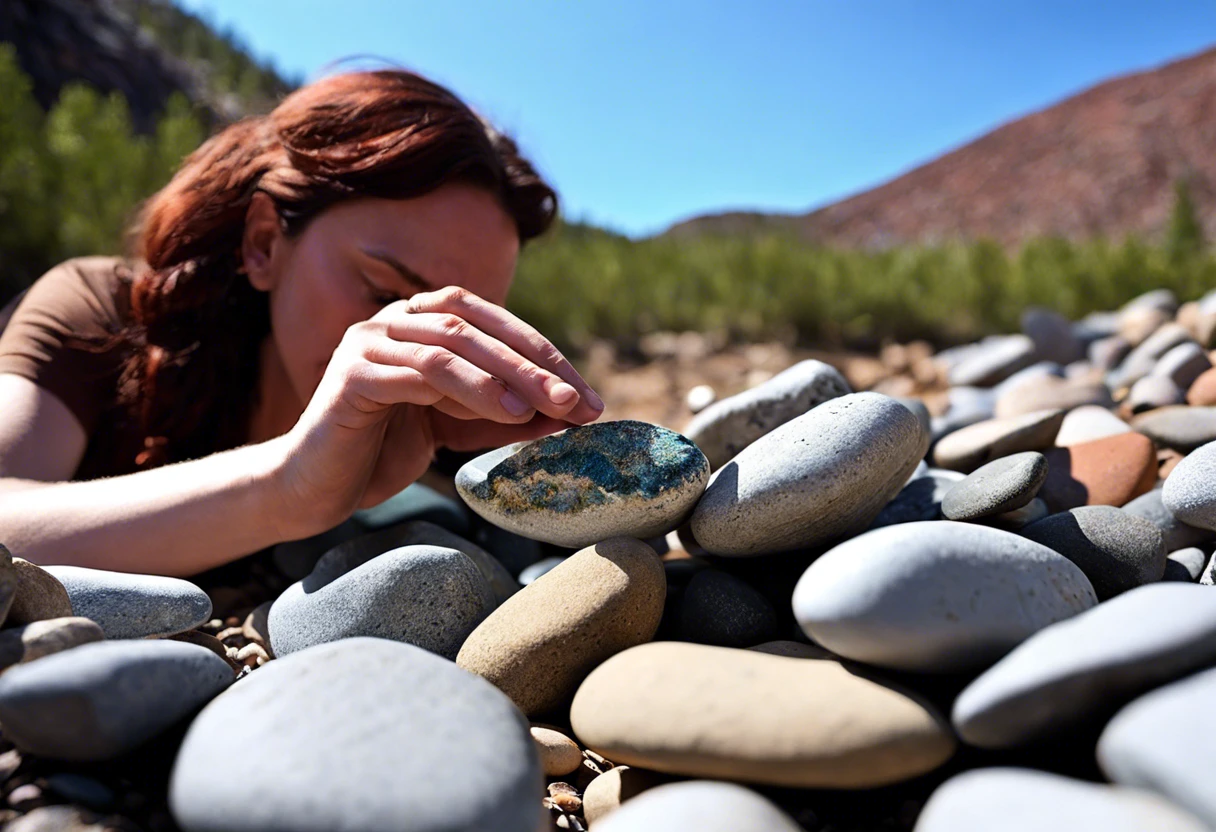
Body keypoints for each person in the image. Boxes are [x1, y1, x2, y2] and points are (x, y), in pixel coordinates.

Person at [0, 68, 604, 578]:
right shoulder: (103, 315)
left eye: (461, 319)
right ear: (264, 242)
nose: (408, 330)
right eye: (384, 289)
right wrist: (284, 487)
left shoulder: (427, 424)